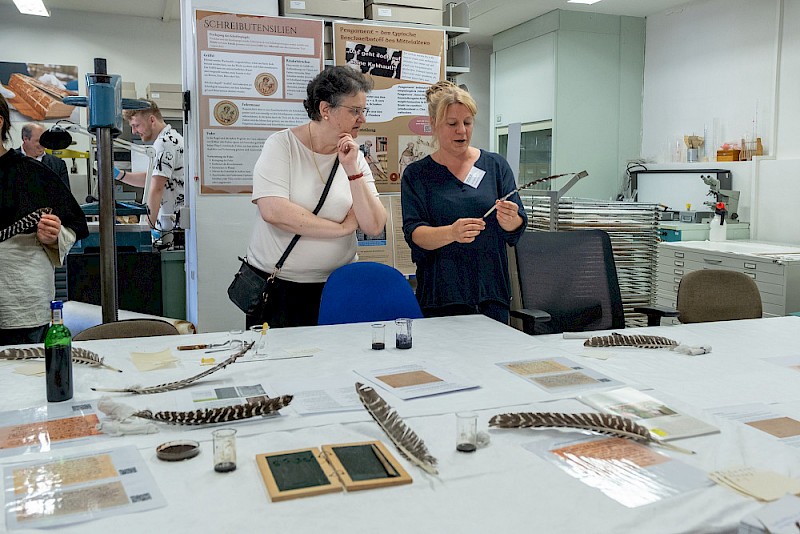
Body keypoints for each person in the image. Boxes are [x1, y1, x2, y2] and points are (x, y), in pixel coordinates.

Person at [245, 66, 387, 328]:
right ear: (325, 109)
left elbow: (374, 225)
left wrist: (352, 171)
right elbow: (274, 211)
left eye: (363, 110)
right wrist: (342, 228)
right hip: (281, 290)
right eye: (355, 111)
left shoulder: (354, 155)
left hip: (338, 286)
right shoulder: (282, 145)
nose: (362, 118)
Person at [401, 81, 527, 325]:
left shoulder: (496, 166)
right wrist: (451, 233)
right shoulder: (417, 175)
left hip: (491, 294)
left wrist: (512, 220)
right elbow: (415, 234)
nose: (462, 131)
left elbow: (516, 229)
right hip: (441, 296)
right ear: (434, 125)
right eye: (452, 124)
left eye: (467, 123)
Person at [0, 95, 88, 345]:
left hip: (19, 307)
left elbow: (74, 224)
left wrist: (53, 235)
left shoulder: (33, 174)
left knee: (25, 369)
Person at [119, 99, 184, 231]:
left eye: (136, 125)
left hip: (171, 228)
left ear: (152, 120)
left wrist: (147, 228)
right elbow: (153, 178)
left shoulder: (164, 143)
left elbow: (157, 188)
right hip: (171, 224)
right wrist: (119, 175)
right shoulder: (171, 137)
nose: (134, 131)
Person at [17, 122, 71, 191]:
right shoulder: (9, 161)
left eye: (45, 140)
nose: (43, 144)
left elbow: (65, 195)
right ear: (25, 139)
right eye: (39, 141)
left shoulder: (58, 165)